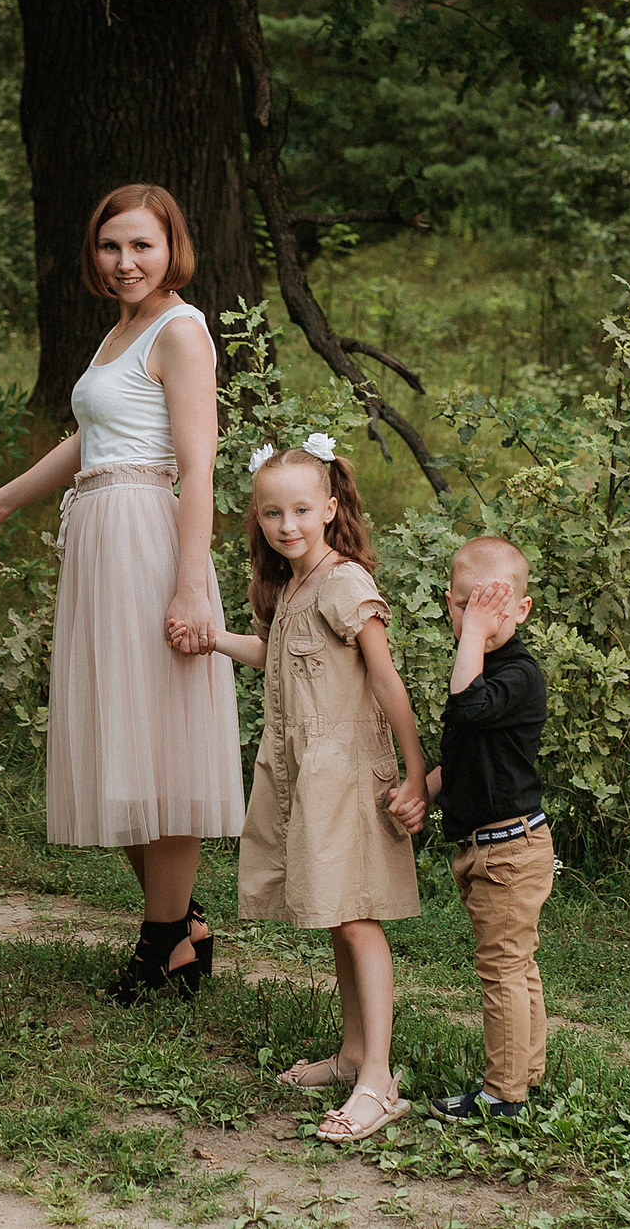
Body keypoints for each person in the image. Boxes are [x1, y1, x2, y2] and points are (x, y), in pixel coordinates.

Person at [0, 183, 241, 998]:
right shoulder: (120, 332)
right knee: (121, 734)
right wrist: (4, 498)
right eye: (112, 246)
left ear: (171, 246)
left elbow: (198, 462)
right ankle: (183, 922)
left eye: (142, 246)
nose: (125, 262)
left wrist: (190, 583)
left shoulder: (181, 330)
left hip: (152, 537)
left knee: (164, 740)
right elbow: (92, 438)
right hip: (99, 542)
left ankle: (161, 943)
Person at [211, 437, 428, 1143]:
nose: (287, 524)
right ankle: (350, 1054)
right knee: (337, 912)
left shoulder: (343, 583)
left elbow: (386, 679)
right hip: (306, 772)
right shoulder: (289, 587)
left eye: (302, 508)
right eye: (272, 512)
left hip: (347, 773)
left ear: (331, 507)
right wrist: (210, 638)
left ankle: (379, 1081)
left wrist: (417, 773)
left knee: (358, 914)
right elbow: (271, 652)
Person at [397, 534, 552, 1120]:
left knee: (504, 968)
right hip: (491, 846)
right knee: (516, 962)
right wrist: (425, 792)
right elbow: (465, 751)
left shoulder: (519, 675)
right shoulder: (479, 665)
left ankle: (502, 1094)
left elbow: (467, 707)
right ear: (447, 602)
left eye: (493, 605)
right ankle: (526, 1072)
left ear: (522, 609)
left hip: (509, 850)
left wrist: (471, 637)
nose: (478, 619)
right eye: (466, 605)